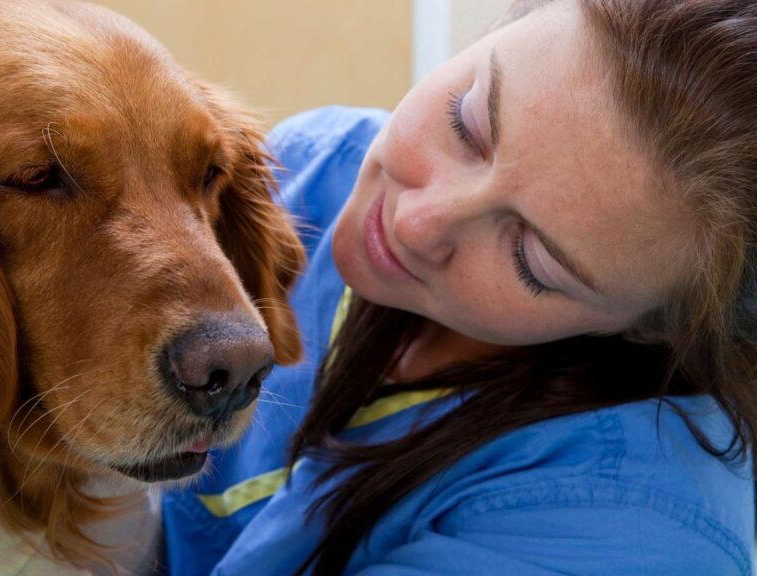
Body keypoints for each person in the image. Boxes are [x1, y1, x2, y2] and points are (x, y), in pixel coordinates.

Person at [161, 0, 756, 574]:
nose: (416, 223)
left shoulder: (638, 532)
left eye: (533, 260)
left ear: (651, 326)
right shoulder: (313, 164)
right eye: (466, 122)